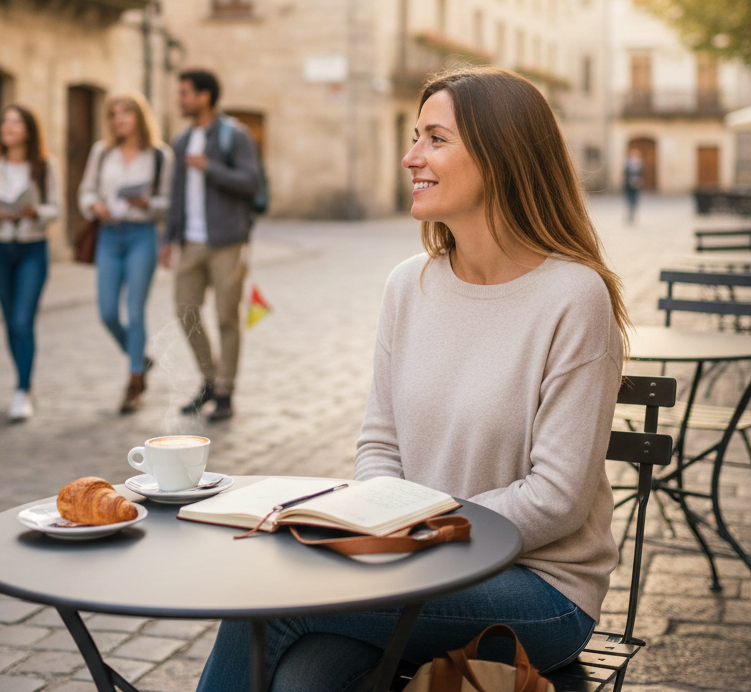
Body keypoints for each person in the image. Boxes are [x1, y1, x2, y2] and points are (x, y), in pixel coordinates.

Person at [195, 66, 630, 692]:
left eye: (435, 138)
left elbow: (556, 499)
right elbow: (380, 444)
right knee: (297, 679)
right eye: (414, 137)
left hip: (537, 591)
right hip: (405, 565)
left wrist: (413, 532)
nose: (410, 157)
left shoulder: (572, 296)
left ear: (500, 156)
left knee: (277, 597)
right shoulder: (409, 284)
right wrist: (380, 526)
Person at [160, 69, 261, 422]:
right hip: (190, 241)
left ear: (204, 97)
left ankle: (224, 392)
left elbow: (251, 181)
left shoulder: (235, 135)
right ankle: (208, 378)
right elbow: (175, 193)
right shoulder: (182, 139)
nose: (180, 99)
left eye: (185, 93)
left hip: (227, 242)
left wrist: (210, 168)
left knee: (226, 317)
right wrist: (168, 238)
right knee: (185, 311)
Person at [78, 91, 173, 413]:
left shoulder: (159, 156)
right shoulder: (102, 153)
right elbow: (85, 191)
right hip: (109, 234)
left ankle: (134, 382)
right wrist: (95, 204)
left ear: (139, 117)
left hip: (142, 234)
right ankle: (140, 358)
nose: (119, 119)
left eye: (125, 113)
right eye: (114, 114)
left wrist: (148, 203)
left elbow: (168, 202)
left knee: (134, 311)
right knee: (106, 312)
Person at [0, 105, 60, 421]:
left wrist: (35, 212)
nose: (8, 127)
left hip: (32, 249)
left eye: (16, 122)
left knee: (23, 320)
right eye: (5, 121)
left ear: (29, 129)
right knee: (11, 322)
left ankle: (22, 389)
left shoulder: (44, 165)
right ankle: (24, 377)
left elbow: (57, 208)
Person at [623, 148, 644, 223]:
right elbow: (625, 173)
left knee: (635, 199)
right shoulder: (627, 163)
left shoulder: (640, 164)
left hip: (636, 184)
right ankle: (630, 214)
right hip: (629, 184)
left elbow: (642, 174)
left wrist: (639, 180)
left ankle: (633, 213)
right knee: (629, 199)